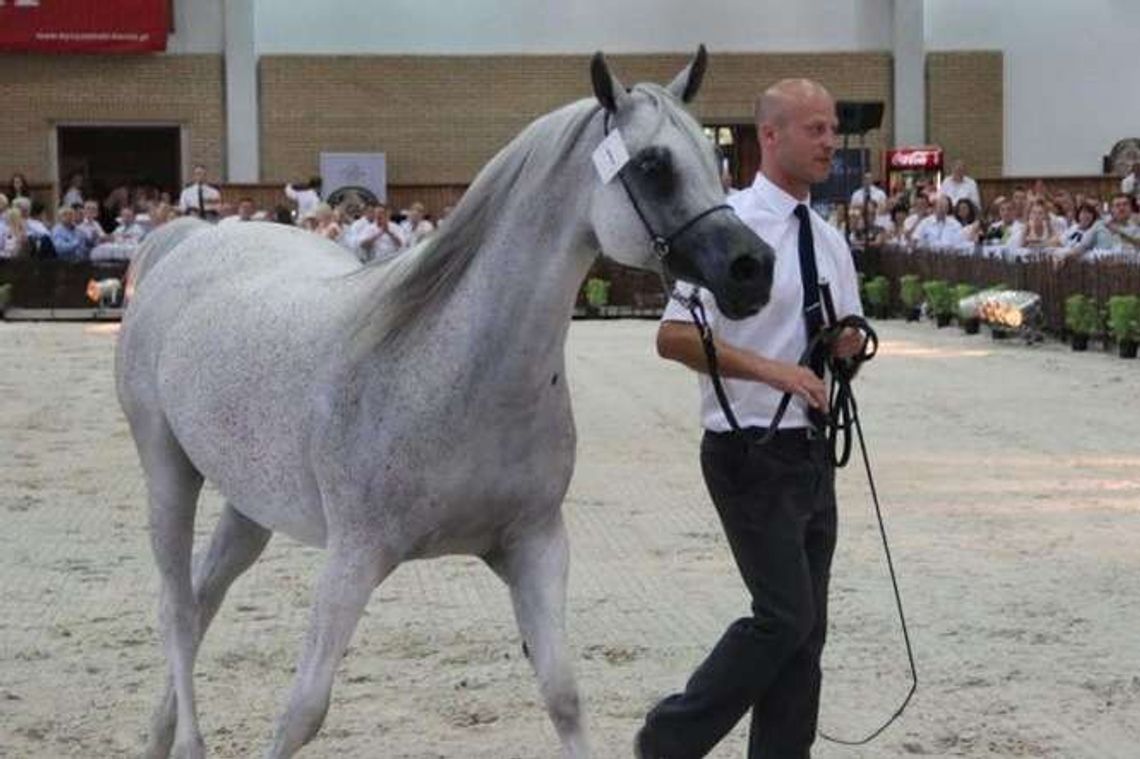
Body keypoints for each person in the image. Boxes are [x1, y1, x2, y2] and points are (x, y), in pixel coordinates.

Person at [635, 78, 865, 759]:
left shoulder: (828, 240)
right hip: (747, 451)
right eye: (815, 129)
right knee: (784, 615)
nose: (831, 142)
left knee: (806, 630)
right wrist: (775, 371)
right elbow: (673, 338)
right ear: (770, 136)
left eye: (832, 128)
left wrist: (844, 348)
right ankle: (670, 738)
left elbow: (844, 337)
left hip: (813, 451)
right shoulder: (722, 230)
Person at [1073, 193, 1140, 256]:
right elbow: (1082, 247)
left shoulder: (1137, 227)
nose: (1121, 208)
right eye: (1117, 205)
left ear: (1130, 208)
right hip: (1103, 264)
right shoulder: (1100, 225)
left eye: (1125, 204)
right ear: (1112, 209)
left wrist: (1120, 232)